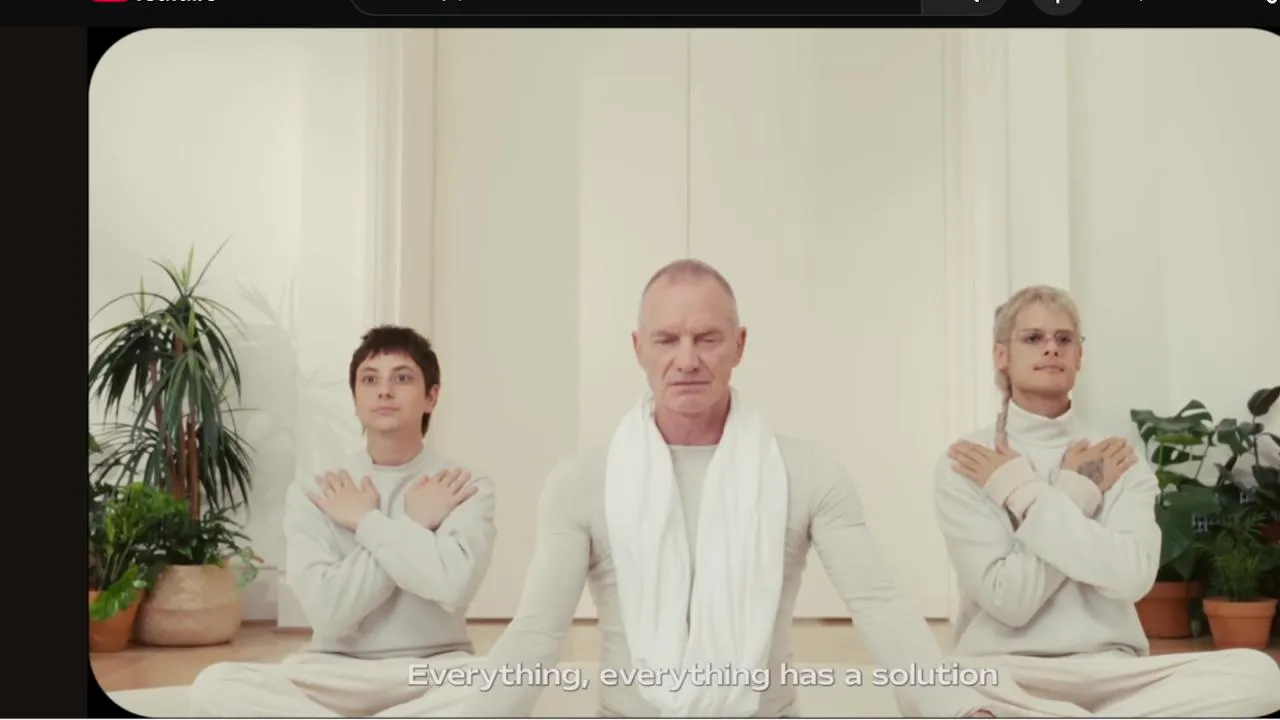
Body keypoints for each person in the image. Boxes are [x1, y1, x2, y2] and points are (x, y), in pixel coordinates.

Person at [452, 259, 994, 718]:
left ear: (739, 345)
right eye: (667, 340)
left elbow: (878, 604)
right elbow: (539, 632)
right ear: (639, 348)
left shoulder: (807, 470)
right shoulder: (581, 481)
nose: (687, 360)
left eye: (707, 339)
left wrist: (957, 708)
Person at [934, 284, 1280, 718]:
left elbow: (1132, 578)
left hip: (1110, 671)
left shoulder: (1117, 458)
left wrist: (1025, 493)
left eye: (1064, 339)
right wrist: (1075, 492)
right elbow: (1010, 601)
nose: (1051, 348)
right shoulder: (970, 462)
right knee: (921, 681)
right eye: (1033, 338)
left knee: (1259, 675)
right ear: (1001, 355)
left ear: (1079, 356)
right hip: (1002, 670)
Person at [189, 325, 498, 717]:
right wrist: (412, 524)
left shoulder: (461, 485)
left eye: (402, 378)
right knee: (216, 685)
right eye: (370, 380)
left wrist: (367, 521)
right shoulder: (318, 490)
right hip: (334, 672)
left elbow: (452, 587)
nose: (384, 391)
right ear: (355, 398)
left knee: (508, 682)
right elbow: (329, 614)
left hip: (436, 669)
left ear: (431, 397)